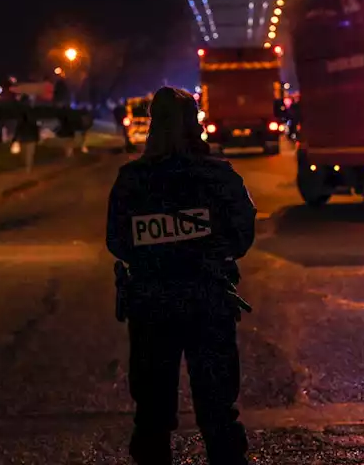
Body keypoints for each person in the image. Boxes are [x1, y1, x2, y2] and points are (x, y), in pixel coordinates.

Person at [106, 87, 257, 465]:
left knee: (153, 415)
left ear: (154, 126)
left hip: (151, 304)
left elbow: (117, 240)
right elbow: (242, 233)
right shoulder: (218, 176)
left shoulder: (132, 179)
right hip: (208, 299)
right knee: (218, 410)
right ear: (194, 125)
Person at [12, 99, 40, 173]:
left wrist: (15, 139)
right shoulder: (32, 118)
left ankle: (27, 167)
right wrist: (37, 138)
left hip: (24, 138)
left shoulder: (21, 119)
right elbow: (36, 129)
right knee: (29, 154)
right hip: (30, 138)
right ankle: (28, 167)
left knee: (25, 154)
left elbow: (18, 129)